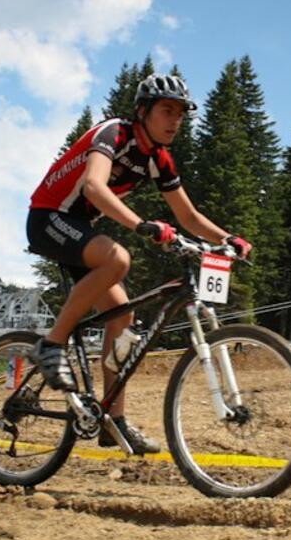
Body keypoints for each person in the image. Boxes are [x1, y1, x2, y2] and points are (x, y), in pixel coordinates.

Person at [26, 73, 252, 454]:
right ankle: (51, 345)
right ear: (143, 111)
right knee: (118, 259)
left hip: (81, 230)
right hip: (49, 218)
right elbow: (95, 187)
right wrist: (141, 225)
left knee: (121, 317)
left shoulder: (159, 159)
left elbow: (189, 216)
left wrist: (226, 238)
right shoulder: (114, 134)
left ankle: (113, 422)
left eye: (180, 114)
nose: (175, 121)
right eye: (167, 111)